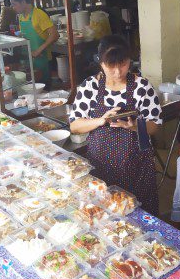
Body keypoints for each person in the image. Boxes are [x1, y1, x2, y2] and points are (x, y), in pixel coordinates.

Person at [69, 35, 162, 214]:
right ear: (101, 63)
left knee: (142, 214)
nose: (118, 72)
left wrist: (134, 126)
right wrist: (101, 120)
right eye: (111, 66)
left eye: (123, 64)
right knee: (105, 213)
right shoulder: (90, 87)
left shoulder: (141, 86)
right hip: (101, 164)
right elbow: (75, 125)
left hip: (137, 165)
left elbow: (155, 125)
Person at [8, 0, 59, 86]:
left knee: (44, 90)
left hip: (42, 61)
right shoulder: (21, 17)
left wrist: (39, 50)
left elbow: (55, 35)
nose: (13, 8)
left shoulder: (39, 14)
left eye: (14, 4)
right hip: (28, 60)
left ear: (23, 2)